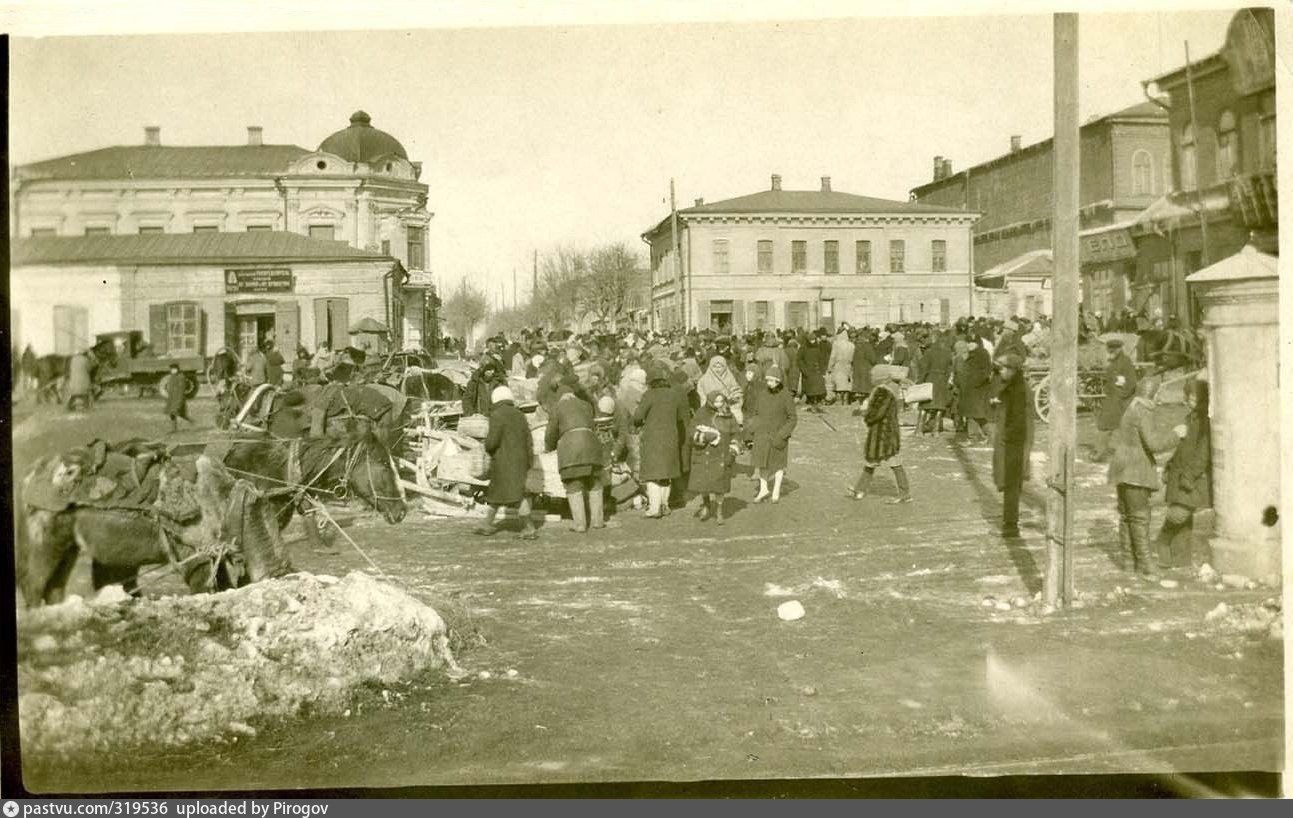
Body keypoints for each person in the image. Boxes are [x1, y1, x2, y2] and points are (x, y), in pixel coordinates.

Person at [1108, 376, 1186, 582]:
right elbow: (1154, 444)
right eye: (1159, 392)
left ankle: (1128, 562)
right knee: (1140, 518)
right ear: (1154, 393)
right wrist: (1176, 434)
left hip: (1121, 467)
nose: (1160, 395)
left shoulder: (1132, 407)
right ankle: (1146, 566)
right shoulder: (1144, 411)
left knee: (1126, 516)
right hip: (1136, 470)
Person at [1156, 377, 1211, 570]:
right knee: (1184, 519)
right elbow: (1183, 447)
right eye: (1188, 396)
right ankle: (1179, 560)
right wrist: (1169, 466)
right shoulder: (1192, 416)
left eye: (1191, 396)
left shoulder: (1205, 420)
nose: (1187, 400)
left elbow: (1203, 452)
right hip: (1181, 471)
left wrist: (1190, 474)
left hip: (1192, 475)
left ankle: (1162, 541)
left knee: (1180, 513)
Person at [475, 386, 537, 539]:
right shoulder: (520, 415)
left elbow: (492, 442)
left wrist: (486, 446)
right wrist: (529, 461)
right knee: (509, 493)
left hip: (503, 461)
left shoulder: (497, 415)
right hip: (520, 461)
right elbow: (529, 440)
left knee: (504, 494)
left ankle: (529, 528)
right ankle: (487, 524)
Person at [847, 365, 912, 504]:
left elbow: (877, 412)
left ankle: (904, 493)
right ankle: (860, 489)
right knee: (872, 462)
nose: (871, 378)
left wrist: (866, 415)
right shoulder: (890, 388)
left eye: (873, 375)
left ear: (879, 377)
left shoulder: (883, 391)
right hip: (887, 432)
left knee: (892, 463)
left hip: (883, 434)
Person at [632, 362, 690, 518]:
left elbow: (638, 417)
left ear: (650, 381)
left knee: (652, 474)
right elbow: (679, 417)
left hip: (653, 438)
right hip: (671, 436)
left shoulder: (649, 395)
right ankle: (665, 505)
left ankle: (654, 508)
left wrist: (638, 423)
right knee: (666, 474)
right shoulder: (673, 394)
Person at [991, 353, 1033, 538]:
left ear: (1012, 369)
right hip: (1011, 441)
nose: (1000, 371)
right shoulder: (1013, 386)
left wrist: (1007, 438)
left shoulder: (1018, 390)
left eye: (1003, 368)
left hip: (1014, 443)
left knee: (1011, 481)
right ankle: (1010, 520)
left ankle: (1010, 524)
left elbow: (1018, 420)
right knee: (1011, 482)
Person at [688, 391, 741, 524]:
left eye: (721, 401)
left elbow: (736, 433)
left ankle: (719, 509)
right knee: (704, 483)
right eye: (716, 401)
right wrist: (704, 437)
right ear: (710, 401)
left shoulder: (728, 415)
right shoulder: (701, 413)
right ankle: (706, 504)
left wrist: (733, 449)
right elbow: (692, 430)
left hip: (721, 454)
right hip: (704, 453)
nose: (718, 404)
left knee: (719, 485)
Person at [748, 365, 797, 503]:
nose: (768, 383)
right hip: (762, 434)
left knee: (778, 464)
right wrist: (752, 429)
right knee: (762, 463)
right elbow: (756, 413)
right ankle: (763, 489)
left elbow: (792, 418)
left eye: (771, 380)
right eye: (767, 380)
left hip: (778, 435)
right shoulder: (762, 394)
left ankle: (776, 490)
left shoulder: (786, 395)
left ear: (778, 381)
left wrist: (783, 434)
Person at [1095, 337, 1138, 461]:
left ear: (1119, 349)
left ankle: (1102, 453)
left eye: (1113, 349)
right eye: (1109, 349)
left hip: (1120, 400)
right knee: (1108, 425)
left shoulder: (1126, 362)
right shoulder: (1113, 362)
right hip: (1112, 398)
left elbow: (1132, 383)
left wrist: (1121, 394)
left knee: (1110, 426)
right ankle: (1105, 452)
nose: (1110, 352)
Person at [956, 336, 993, 444]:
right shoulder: (971, 354)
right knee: (976, 414)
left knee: (972, 414)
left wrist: (977, 382)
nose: (969, 345)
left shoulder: (982, 354)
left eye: (972, 343)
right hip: (971, 388)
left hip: (978, 389)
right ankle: (989, 436)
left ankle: (972, 438)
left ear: (977, 343)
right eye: (968, 343)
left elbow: (986, 371)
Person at [697, 355, 744, 425]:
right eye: (714, 367)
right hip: (711, 411)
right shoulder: (703, 380)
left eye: (719, 367)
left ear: (724, 367)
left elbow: (737, 393)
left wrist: (733, 399)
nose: (717, 369)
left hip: (728, 410)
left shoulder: (730, 378)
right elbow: (702, 395)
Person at [827, 327, 855, 405]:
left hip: (838, 365)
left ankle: (839, 400)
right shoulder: (851, 345)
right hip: (848, 365)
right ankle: (846, 400)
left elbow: (833, 356)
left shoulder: (836, 344)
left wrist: (830, 367)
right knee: (846, 384)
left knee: (838, 384)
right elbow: (853, 357)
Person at [162, 363, 192, 433]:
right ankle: (174, 429)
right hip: (172, 398)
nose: (173, 370)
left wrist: (179, 400)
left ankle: (192, 422)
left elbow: (181, 390)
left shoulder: (181, 377)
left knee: (180, 414)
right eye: (172, 369)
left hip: (178, 398)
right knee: (173, 413)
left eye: (175, 369)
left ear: (178, 369)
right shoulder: (172, 376)